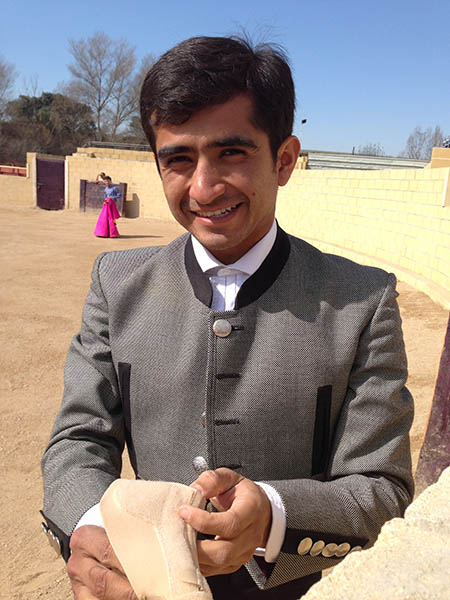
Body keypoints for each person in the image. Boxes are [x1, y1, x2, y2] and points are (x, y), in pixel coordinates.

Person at [41, 36, 414, 600]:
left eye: (232, 153)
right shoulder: (117, 286)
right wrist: (95, 528)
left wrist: (274, 514)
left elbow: (381, 486)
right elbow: (77, 438)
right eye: (178, 159)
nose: (203, 188)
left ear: (283, 160)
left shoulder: (362, 302)